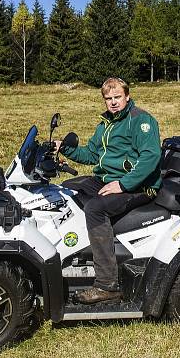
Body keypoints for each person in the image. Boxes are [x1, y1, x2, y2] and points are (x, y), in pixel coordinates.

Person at [56, 77, 162, 304]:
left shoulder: (141, 121)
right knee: (69, 190)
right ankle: (77, 253)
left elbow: (150, 157)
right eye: (108, 99)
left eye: (117, 97)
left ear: (127, 96)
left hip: (140, 185)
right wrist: (64, 149)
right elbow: (92, 155)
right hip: (111, 179)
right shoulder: (106, 123)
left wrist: (123, 184)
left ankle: (107, 285)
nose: (113, 103)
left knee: (95, 208)